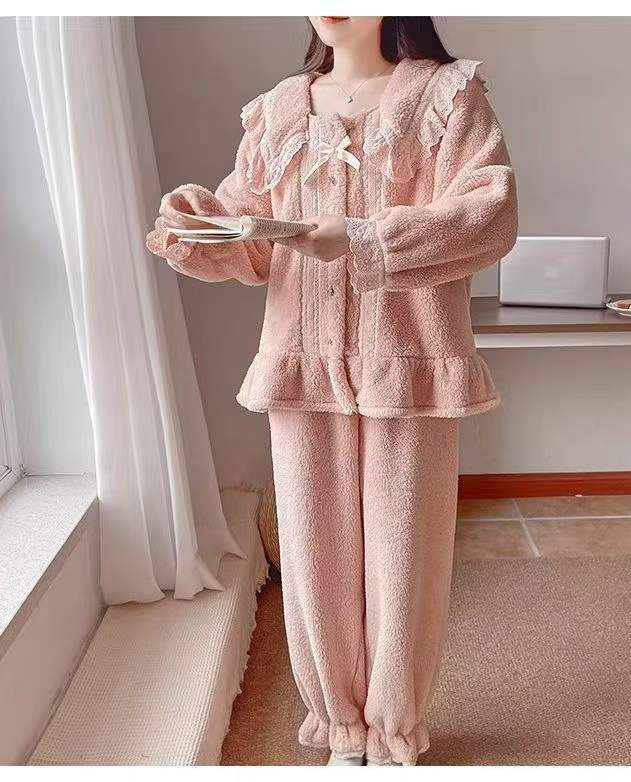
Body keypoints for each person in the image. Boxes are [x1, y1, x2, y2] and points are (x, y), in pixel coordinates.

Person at [147, 15, 517, 766]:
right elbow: (253, 245)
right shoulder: (279, 110)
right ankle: (342, 726)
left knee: (406, 557)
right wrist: (201, 224)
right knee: (314, 556)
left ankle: (394, 729)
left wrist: (363, 238)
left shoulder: (447, 97)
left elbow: (489, 215)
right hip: (302, 364)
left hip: (409, 363)